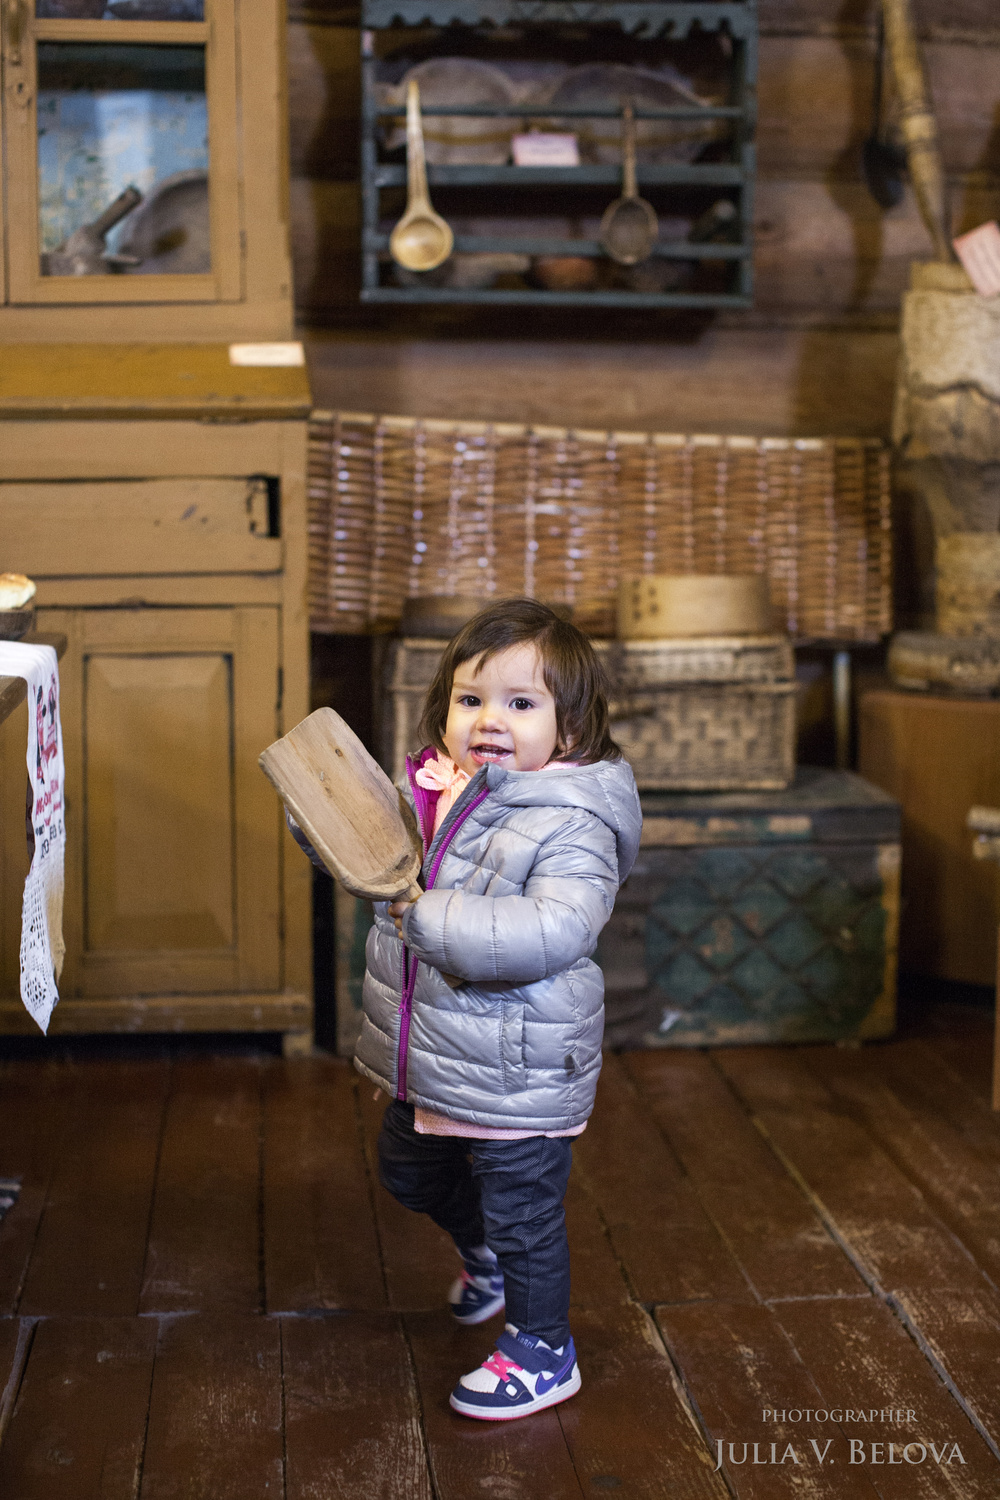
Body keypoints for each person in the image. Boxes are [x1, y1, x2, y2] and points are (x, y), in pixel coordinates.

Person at [295, 598, 641, 1420]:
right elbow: (374, 860)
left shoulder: (572, 819)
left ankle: (543, 1350)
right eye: (472, 699)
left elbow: (557, 928)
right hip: (436, 1052)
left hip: (518, 1061)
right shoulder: (437, 789)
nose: (491, 719)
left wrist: (430, 917)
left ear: (571, 729)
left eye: (522, 704)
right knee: (408, 1172)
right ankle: (480, 1252)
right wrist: (323, 820)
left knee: (524, 1212)